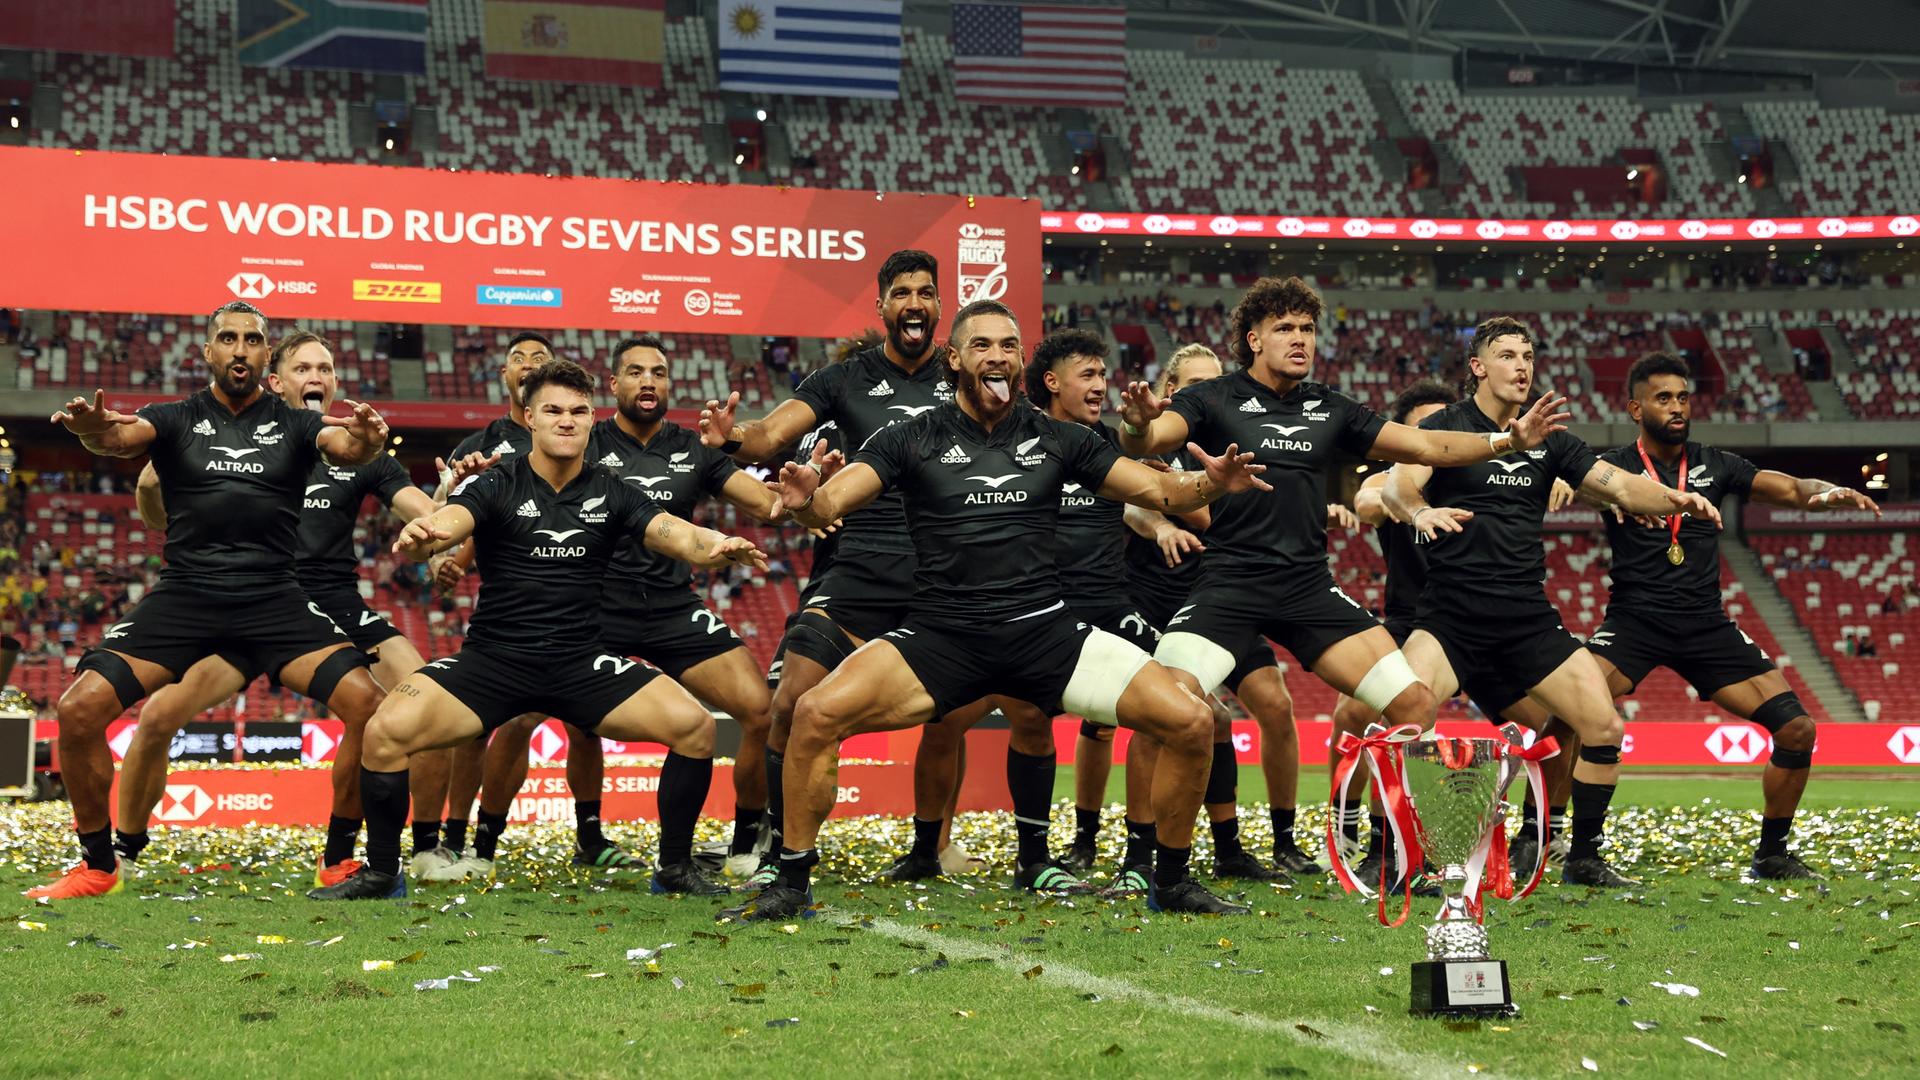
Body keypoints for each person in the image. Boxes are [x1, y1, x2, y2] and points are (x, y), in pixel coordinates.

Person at [720, 299, 1273, 923]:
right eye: (982, 345)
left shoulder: (1062, 440)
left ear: (1020, 361)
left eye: (1008, 345)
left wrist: (1213, 483)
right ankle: (791, 880)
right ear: (956, 358)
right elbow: (830, 507)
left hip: (1045, 633)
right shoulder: (910, 437)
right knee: (814, 714)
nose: (997, 356)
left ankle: (1170, 882)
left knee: (1193, 721)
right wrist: (804, 501)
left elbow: (1163, 491)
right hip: (941, 636)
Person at [309, 359, 767, 900]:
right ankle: (384, 873)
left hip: (580, 663)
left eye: (578, 411)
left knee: (695, 727)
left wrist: (718, 547)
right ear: (529, 417)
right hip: (495, 663)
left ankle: (673, 870)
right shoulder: (497, 483)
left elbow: (675, 533)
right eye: (553, 410)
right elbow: (451, 522)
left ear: (592, 419)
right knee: (385, 733)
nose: (566, 421)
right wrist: (427, 533)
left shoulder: (613, 490)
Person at [1115, 278, 1571, 798]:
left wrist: (1504, 439)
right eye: (1284, 327)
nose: (1300, 338)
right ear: (1254, 339)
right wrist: (1133, 426)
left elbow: (1425, 444)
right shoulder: (1211, 397)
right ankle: (1153, 868)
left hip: (1307, 586)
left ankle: (1390, 851)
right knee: (1170, 710)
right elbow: (1151, 437)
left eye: (1307, 328)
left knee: (1415, 703)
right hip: (1229, 583)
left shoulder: (1332, 407)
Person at [32, 301, 391, 900]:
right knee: (78, 710)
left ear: (265, 356)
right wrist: (92, 429)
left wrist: (367, 440)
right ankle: (98, 866)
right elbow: (121, 436)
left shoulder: (296, 423)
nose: (240, 349)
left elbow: (344, 446)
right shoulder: (174, 417)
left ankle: (338, 859)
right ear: (209, 352)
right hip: (187, 596)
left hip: (275, 597)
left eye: (253, 340)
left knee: (370, 706)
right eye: (228, 338)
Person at [1383, 319, 1721, 889]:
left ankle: (1583, 857)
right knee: (1405, 716)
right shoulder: (1445, 427)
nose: (1522, 366)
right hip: (1451, 617)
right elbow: (1397, 485)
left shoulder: (1554, 439)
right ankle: (1401, 856)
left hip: (1526, 619)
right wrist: (1420, 512)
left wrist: (1674, 498)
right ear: (1478, 368)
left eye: (1528, 356)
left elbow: (1617, 484)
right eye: (1508, 355)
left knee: (1603, 726)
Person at [697, 251, 989, 887]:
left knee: (948, 718)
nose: (916, 303)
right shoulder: (843, 380)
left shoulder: (964, 373)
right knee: (790, 703)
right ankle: (781, 848)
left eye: (927, 293)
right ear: (881, 307)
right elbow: (770, 433)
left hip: (943, 571)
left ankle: (930, 848)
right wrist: (731, 438)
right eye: (903, 293)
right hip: (856, 564)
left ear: (940, 308)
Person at [114, 330, 447, 886]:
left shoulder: (356, 448)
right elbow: (157, 517)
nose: (317, 376)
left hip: (335, 603)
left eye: (326, 368)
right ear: (275, 380)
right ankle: (123, 849)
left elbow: (425, 513)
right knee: (155, 719)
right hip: (253, 597)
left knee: (427, 701)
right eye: (304, 368)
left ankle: (413, 849)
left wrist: (450, 506)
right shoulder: (222, 440)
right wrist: (152, 483)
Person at [1584, 351, 1879, 880]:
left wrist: (1825, 492)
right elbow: (1573, 479)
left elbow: (1790, 488)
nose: (1677, 407)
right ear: (1635, 407)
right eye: (1663, 398)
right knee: (1569, 714)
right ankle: (1571, 850)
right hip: (1634, 621)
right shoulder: (1612, 467)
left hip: (1705, 624)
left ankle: (1772, 854)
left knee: (1797, 730)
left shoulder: (1715, 463)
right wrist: (1572, 485)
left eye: (1682, 397)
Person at [1069, 343, 1334, 888]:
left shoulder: (1243, 446)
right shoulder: (1153, 447)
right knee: (1161, 717)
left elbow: (1256, 508)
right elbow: (1135, 501)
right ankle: (1114, 845)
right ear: (1173, 394)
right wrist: (1163, 524)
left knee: (1273, 705)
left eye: (1220, 381)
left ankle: (1270, 842)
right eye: (1197, 384)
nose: (1215, 392)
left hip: (1225, 601)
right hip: (1155, 602)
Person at [1334, 378, 1577, 883]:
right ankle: (1365, 833)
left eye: (1448, 426)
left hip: (1490, 626)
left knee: (1565, 719)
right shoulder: (1394, 478)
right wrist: (1406, 502)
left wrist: (1550, 477)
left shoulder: (1498, 471)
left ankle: (1537, 835)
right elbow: (1370, 499)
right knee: (1356, 710)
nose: (1440, 440)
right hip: (1419, 622)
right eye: (1426, 431)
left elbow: (1549, 474)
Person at [418, 331, 624, 879]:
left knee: (587, 726)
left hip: (585, 602)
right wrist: (449, 561)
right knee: (492, 723)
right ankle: (462, 838)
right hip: (510, 612)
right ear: (511, 383)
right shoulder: (480, 447)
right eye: (519, 359)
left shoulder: (582, 437)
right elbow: (452, 520)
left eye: (541, 357)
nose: (530, 364)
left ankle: (589, 834)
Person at [589, 335, 785, 877]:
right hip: (596, 610)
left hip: (672, 606)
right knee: (519, 715)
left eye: (658, 372)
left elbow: (767, 503)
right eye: (634, 372)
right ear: (614, 384)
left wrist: (800, 493)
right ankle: (469, 843)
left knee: (757, 710)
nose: (647, 381)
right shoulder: (585, 441)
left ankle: (746, 842)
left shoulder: (692, 447)